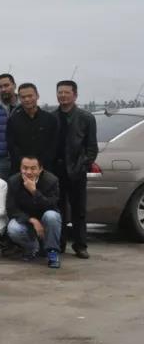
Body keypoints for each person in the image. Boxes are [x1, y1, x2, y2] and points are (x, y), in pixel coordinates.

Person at [53, 80, 98, 259]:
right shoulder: (52, 117)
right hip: (56, 170)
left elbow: (91, 147)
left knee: (79, 210)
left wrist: (83, 165)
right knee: (58, 209)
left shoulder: (86, 118)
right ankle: (59, 243)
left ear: (75, 95)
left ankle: (80, 245)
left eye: (67, 92)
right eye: (60, 92)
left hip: (76, 170)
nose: (63, 95)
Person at [5, 155, 62, 268]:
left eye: (33, 168)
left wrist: (34, 191)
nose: (28, 172)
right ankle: (32, 248)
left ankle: (53, 252)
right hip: (26, 219)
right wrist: (32, 220)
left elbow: (51, 205)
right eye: (25, 168)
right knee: (13, 228)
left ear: (40, 169)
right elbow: (11, 208)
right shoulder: (13, 181)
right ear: (20, 168)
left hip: (45, 218)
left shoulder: (51, 180)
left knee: (52, 216)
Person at [7, 83, 59, 173]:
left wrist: (39, 163)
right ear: (19, 98)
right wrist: (25, 163)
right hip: (20, 168)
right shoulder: (13, 120)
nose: (27, 99)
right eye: (23, 97)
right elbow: (12, 145)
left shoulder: (50, 119)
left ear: (37, 96)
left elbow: (54, 144)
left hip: (45, 168)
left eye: (30, 96)